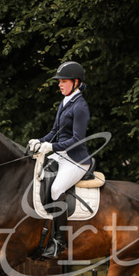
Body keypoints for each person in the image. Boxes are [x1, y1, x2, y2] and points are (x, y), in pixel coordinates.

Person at [28, 61, 91, 259]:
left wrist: (52, 147)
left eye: (63, 81)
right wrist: (40, 141)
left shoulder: (80, 107)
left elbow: (77, 140)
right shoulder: (65, 102)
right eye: (60, 81)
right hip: (61, 155)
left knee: (56, 189)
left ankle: (59, 241)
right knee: (37, 176)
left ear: (76, 82)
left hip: (76, 160)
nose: (60, 84)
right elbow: (55, 132)